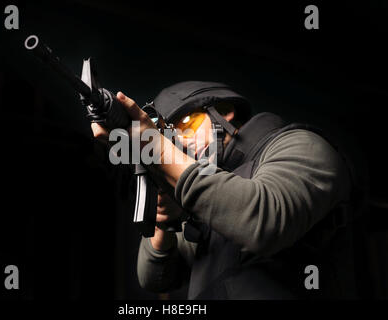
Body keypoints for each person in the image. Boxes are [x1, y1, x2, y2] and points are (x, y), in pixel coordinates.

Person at [92, 81, 359, 299]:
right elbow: (155, 278)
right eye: (172, 135)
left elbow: (264, 222)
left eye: (188, 123)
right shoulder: (204, 192)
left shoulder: (299, 144)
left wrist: (158, 150)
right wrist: (166, 218)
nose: (182, 140)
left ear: (225, 111)